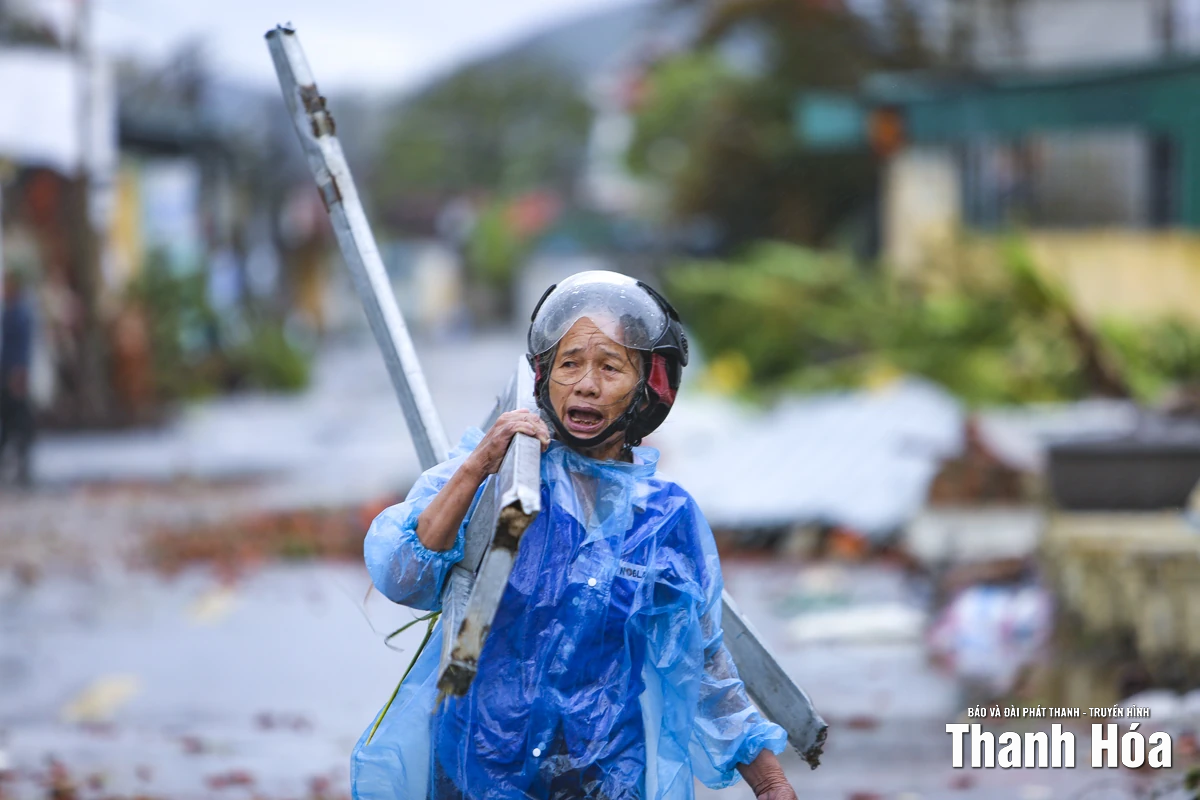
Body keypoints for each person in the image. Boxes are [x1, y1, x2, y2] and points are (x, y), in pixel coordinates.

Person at [353, 271, 798, 800]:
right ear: (544, 375)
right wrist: (479, 466)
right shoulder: (506, 477)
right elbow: (404, 576)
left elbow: (700, 659)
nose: (586, 383)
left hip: (604, 774)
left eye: (610, 367)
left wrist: (768, 780)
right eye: (570, 364)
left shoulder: (662, 519)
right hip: (479, 762)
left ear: (649, 388)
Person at [0, 269, 35, 486]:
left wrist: (19, 371)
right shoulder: (9, 312)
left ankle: (23, 456)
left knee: (18, 415)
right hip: (6, 370)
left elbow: (22, 346)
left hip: (15, 371)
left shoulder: (21, 313)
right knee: (7, 414)